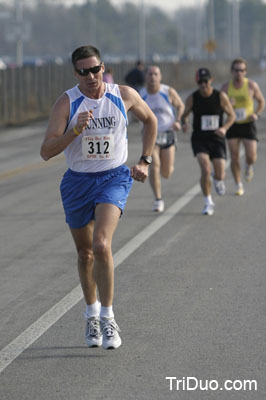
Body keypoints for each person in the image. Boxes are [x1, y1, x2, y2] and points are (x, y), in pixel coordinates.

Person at [40, 45, 157, 350]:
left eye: (96, 69)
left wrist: (145, 160)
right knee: (84, 254)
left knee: (101, 244)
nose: (91, 76)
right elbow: (46, 151)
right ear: (75, 73)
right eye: (84, 71)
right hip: (77, 182)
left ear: (103, 67)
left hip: (113, 177)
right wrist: (74, 131)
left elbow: (151, 121)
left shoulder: (123, 94)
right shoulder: (67, 102)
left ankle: (108, 316)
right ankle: (91, 313)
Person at [182, 68, 235, 215]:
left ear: (210, 80)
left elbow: (232, 115)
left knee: (220, 173)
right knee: (205, 169)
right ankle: (208, 202)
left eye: (205, 81)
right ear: (196, 82)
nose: (203, 84)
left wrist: (224, 128)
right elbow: (183, 114)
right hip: (200, 139)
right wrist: (184, 122)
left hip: (217, 138)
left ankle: (218, 180)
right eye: (200, 82)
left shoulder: (220, 96)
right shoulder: (193, 98)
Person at [140, 65, 185, 212]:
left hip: (168, 132)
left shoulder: (168, 92)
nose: (153, 77)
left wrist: (178, 120)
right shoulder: (141, 94)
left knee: (166, 172)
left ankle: (163, 177)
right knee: (154, 165)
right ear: (146, 77)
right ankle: (158, 199)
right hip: (150, 135)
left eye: (155, 74)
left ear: (160, 77)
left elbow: (181, 106)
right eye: (150, 74)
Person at [221, 58, 265, 196]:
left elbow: (261, 101)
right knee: (234, 157)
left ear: (245, 72)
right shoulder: (226, 88)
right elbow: (219, 106)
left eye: (241, 70)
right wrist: (228, 104)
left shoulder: (251, 85)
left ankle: (249, 166)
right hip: (232, 124)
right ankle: (238, 184)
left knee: (251, 156)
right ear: (232, 71)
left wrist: (257, 114)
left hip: (248, 124)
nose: (238, 73)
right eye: (236, 70)